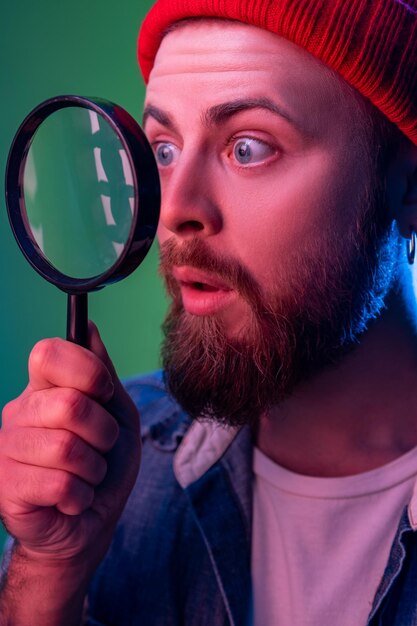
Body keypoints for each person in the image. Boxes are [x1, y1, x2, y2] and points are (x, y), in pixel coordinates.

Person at [1, 0, 417, 624]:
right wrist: (49, 570)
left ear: (407, 190)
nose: (174, 211)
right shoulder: (103, 466)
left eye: (248, 147)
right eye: (163, 150)